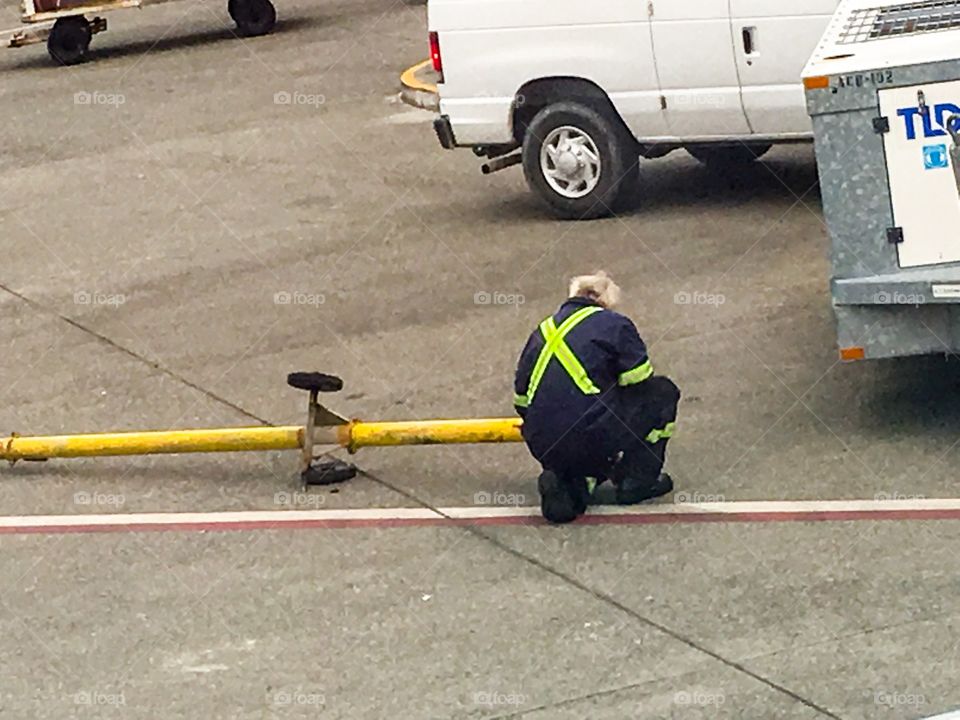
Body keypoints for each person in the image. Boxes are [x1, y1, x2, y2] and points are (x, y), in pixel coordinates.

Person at [513, 271, 680, 524]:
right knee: (663, 393)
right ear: (605, 300)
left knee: (580, 429)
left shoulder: (542, 330)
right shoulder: (615, 324)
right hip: (592, 432)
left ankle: (568, 486)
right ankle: (637, 481)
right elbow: (639, 380)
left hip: (542, 440)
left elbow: (522, 400)